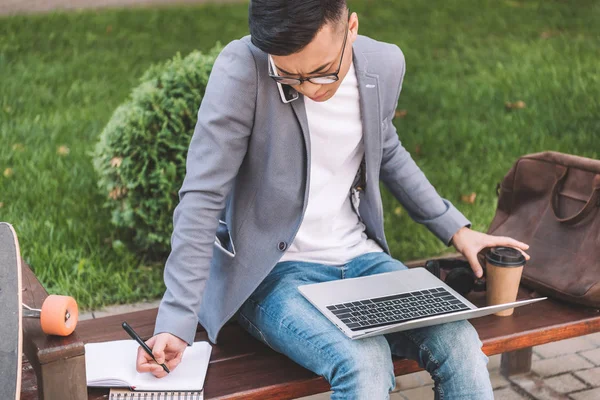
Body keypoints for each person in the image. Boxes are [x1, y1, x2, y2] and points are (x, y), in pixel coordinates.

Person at [136, 1, 530, 398]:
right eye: (290, 77)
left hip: (361, 258)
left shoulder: (384, 64)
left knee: (461, 345)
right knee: (364, 362)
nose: (310, 88)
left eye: (323, 72)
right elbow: (202, 196)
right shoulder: (244, 69)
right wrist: (176, 319)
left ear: (351, 28)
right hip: (273, 275)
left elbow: (385, 148)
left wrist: (456, 229)